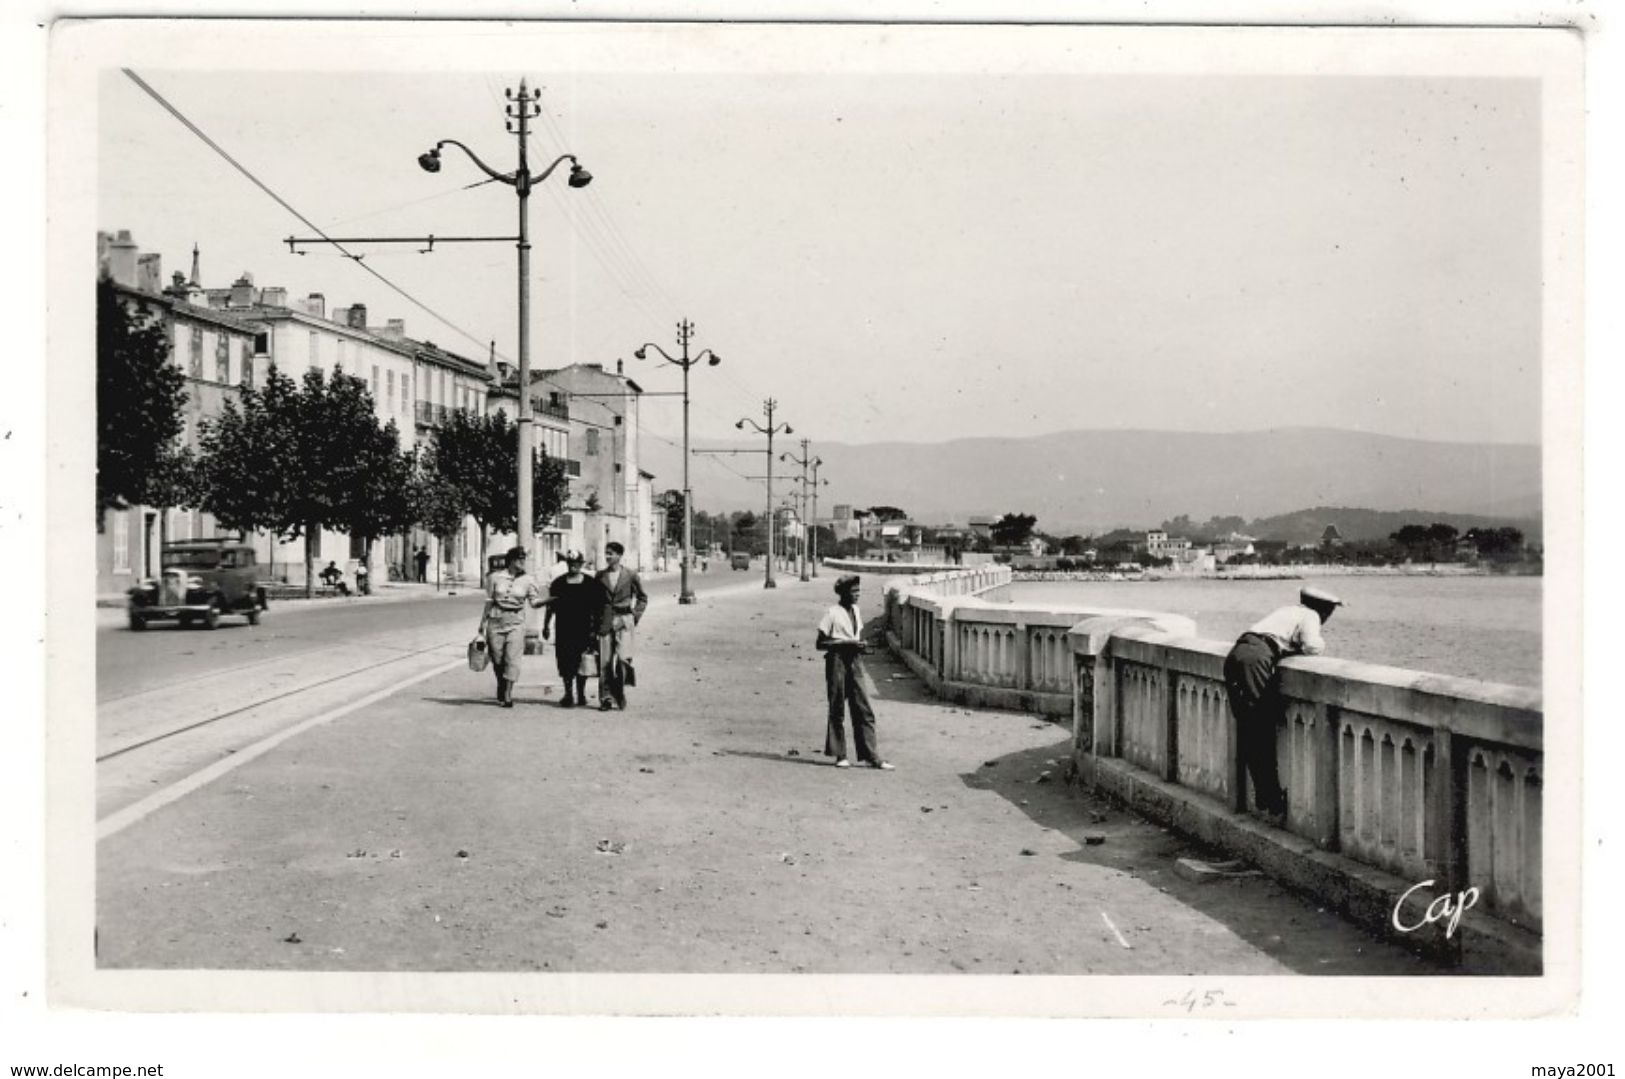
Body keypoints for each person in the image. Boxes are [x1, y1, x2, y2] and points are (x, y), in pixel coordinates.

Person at [1224, 586, 1344, 818]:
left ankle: (1263, 795)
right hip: (1256, 658)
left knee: (1249, 727)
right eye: (1330, 611)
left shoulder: (1288, 610)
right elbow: (1312, 646)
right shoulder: (1310, 615)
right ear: (1324, 609)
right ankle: (1271, 796)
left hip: (1237, 653)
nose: (1328, 617)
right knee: (1260, 728)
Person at [816, 574, 892, 770]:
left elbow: (856, 635)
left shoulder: (857, 611)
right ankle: (840, 754)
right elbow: (820, 643)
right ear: (843, 593)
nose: (857, 595)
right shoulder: (832, 613)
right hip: (837, 661)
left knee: (863, 708)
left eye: (858, 591)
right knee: (837, 707)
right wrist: (842, 643)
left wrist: (860, 645)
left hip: (855, 661)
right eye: (853, 591)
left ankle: (871, 755)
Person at [478, 545, 550, 708]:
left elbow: (534, 602)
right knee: (497, 659)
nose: (522, 562)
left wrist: (546, 601)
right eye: (519, 559)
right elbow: (489, 602)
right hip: (496, 620)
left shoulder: (528, 580)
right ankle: (501, 684)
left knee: (512, 659)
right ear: (511, 561)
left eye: (524, 559)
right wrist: (481, 626)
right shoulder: (495, 578)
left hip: (516, 622)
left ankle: (508, 694)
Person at [542, 550, 604, 708]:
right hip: (564, 627)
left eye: (577, 564)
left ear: (581, 564)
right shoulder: (558, 583)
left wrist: (596, 629)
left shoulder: (591, 583)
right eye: (571, 564)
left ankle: (581, 693)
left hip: (584, 628)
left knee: (582, 661)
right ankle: (568, 693)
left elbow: (598, 608)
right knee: (565, 661)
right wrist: (546, 625)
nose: (574, 567)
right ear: (567, 564)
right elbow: (551, 606)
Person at [594, 541, 648, 711]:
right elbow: (594, 602)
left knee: (624, 660)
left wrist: (635, 616)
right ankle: (606, 698)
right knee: (605, 662)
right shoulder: (600, 576)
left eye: (611, 553)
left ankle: (619, 690)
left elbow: (642, 597)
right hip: (605, 621)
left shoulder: (630, 575)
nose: (607, 556)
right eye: (606, 553)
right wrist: (595, 623)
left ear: (619, 555)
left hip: (624, 620)